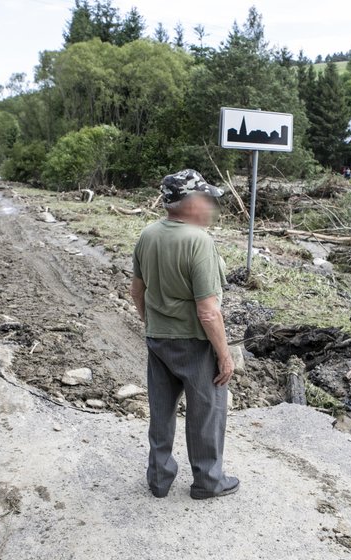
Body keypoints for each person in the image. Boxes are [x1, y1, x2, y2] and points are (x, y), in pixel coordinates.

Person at [130, 169, 239, 500]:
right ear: (189, 203)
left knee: (161, 410)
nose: (209, 206)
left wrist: (152, 323)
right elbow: (208, 311)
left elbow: (137, 291)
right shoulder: (199, 242)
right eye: (204, 199)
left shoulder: (147, 235)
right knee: (206, 411)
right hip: (194, 342)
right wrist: (224, 354)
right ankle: (208, 481)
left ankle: (159, 478)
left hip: (159, 339)